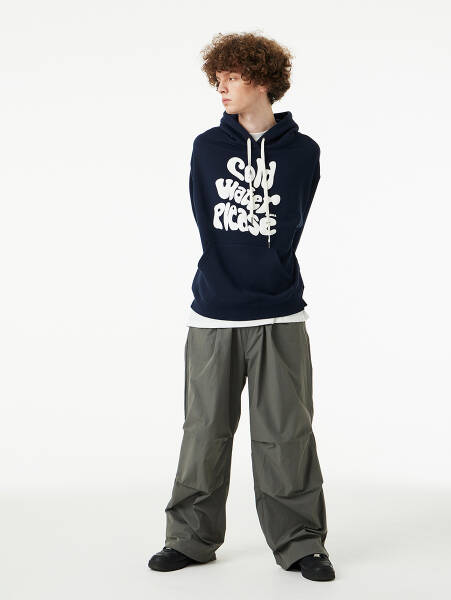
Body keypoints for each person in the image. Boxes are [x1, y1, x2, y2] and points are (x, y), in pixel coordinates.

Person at [148, 31, 335, 582]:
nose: (222, 88)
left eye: (232, 78)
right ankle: (189, 538)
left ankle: (301, 543)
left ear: (263, 80)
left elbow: (293, 224)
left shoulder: (303, 152)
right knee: (204, 432)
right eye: (218, 79)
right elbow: (205, 221)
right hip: (214, 312)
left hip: (280, 313)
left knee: (287, 435)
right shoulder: (207, 147)